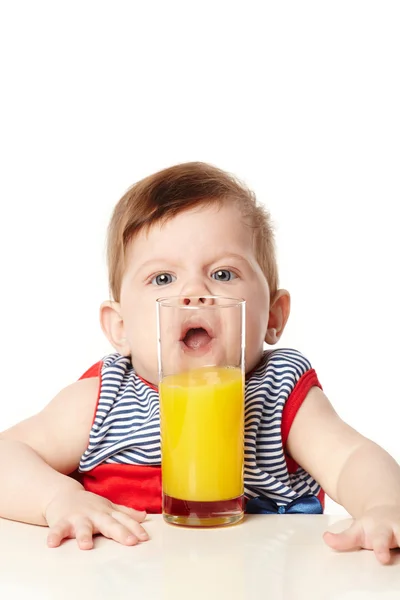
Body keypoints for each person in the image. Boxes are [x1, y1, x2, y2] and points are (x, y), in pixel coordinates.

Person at [0, 162, 399, 564]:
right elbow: (7, 454)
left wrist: (382, 505)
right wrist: (58, 498)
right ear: (120, 328)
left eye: (223, 273)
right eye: (162, 279)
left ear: (273, 317)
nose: (193, 292)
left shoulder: (280, 394)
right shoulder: (102, 399)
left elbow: (351, 459)